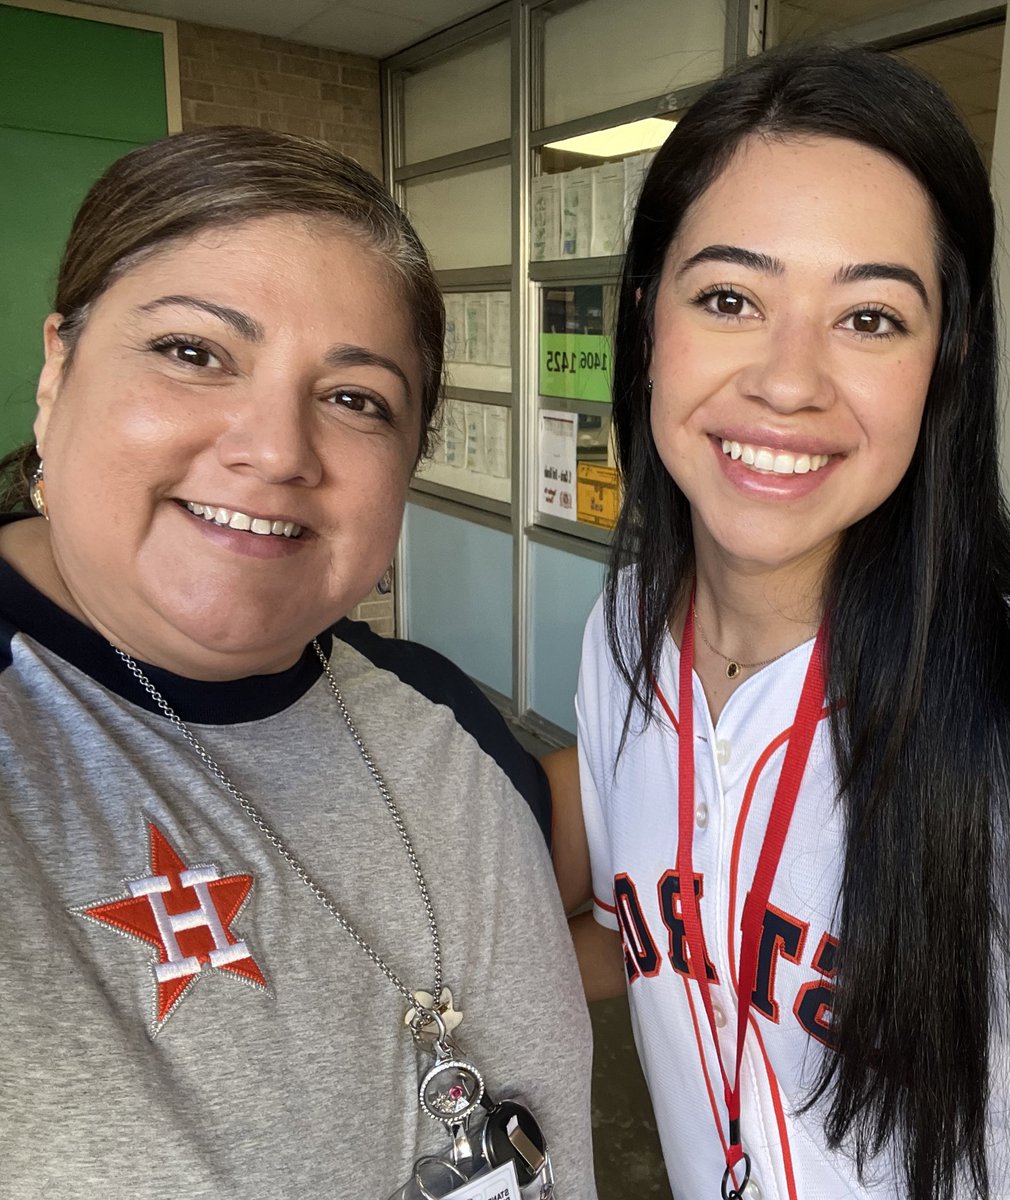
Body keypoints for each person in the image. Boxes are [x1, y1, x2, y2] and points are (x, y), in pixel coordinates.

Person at [561, 43, 1010, 1200]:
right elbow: (643, 938)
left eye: (870, 318)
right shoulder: (622, 633)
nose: (788, 381)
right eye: (728, 299)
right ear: (645, 322)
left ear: (946, 358)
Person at [0, 127, 596, 1199]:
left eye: (355, 398)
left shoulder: (424, 705)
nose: (276, 450)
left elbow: (586, 903)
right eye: (193, 353)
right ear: (58, 371)